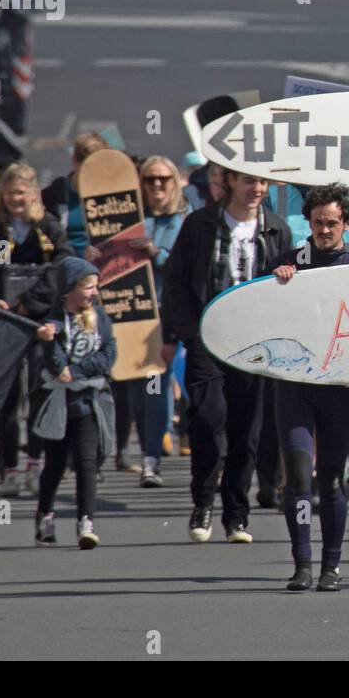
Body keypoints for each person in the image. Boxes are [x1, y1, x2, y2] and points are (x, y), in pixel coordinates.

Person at [163, 169, 291, 544]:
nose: (257, 190)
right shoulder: (200, 225)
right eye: (249, 181)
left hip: (253, 342)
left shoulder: (276, 228)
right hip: (207, 336)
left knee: (245, 431)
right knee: (205, 420)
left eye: (263, 183)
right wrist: (188, 332)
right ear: (230, 182)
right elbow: (177, 281)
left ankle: (237, 516)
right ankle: (202, 503)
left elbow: (283, 285)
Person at [269, 184, 349, 591]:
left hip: (339, 387)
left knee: (331, 477)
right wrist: (276, 284)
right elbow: (259, 315)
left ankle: (331, 566)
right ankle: (303, 563)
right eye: (317, 223)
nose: (324, 230)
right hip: (295, 386)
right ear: (307, 222)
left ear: (346, 223)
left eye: (332, 223)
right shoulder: (286, 264)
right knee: (298, 476)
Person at [0, 162, 72, 496]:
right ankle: (10, 467)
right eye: (9, 194)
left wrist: (31, 304)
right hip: (3, 323)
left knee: (39, 390)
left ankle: (35, 465)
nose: (15, 200)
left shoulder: (49, 228)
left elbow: (63, 268)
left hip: (39, 322)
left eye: (21, 193)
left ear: (33, 194)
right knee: (7, 397)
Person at [32, 258, 117, 549]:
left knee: (86, 462)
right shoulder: (53, 322)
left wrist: (78, 371)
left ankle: (86, 521)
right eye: (88, 287)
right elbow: (55, 363)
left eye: (95, 287)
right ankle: (44, 514)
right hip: (58, 402)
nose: (94, 293)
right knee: (54, 465)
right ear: (70, 290)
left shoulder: (101, 318)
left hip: (89, 400)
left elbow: (109, 354)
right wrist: (49, 346)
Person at [132, 156, 192, 488]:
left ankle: (163, 452)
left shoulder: (186, 219)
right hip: (139, 314)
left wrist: (156, 252)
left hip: (178, 313)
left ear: (175, 182)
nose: (157, 185)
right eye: (150, 180)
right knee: (145, 390)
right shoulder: (132, 219)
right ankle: (150, 455)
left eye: (163, 179)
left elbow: (186, 267)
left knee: (184, 386)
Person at [40, 132, 108, 257]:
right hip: (64, 264)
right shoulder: (54, 195)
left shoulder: (109, 196)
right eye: (88, 168)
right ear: (75, 161)